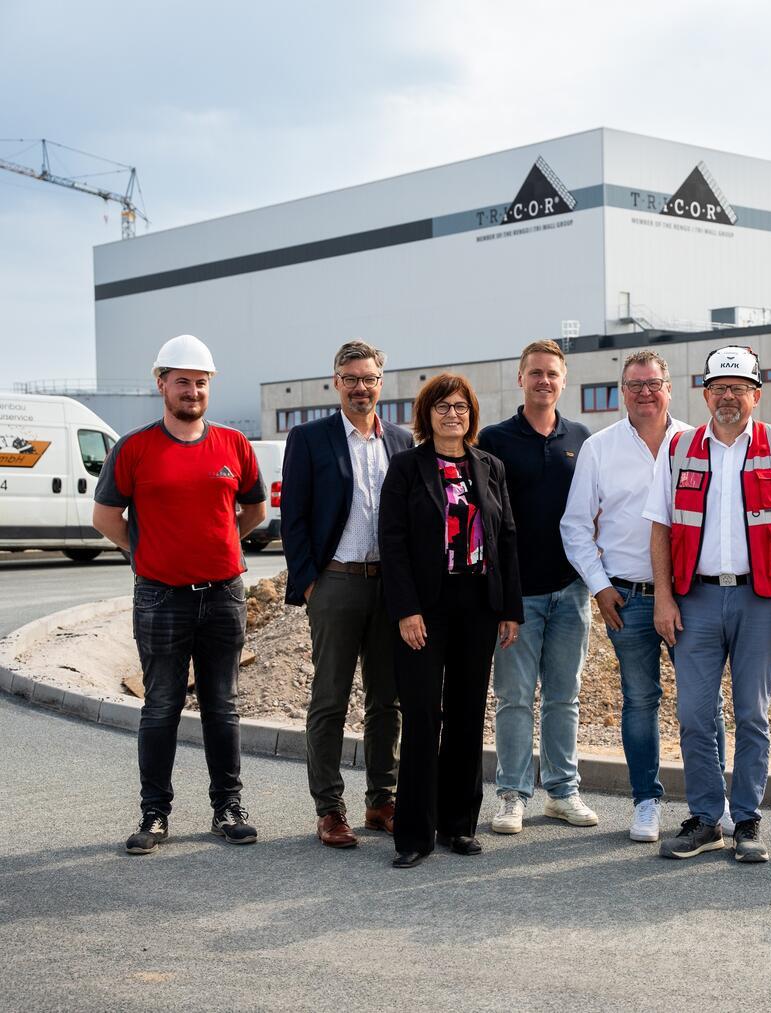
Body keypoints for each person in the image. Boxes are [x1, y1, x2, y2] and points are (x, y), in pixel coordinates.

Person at [645, 344, 771, 863]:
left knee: (753, 715)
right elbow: (659, 526)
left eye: (739, 389)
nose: (729, 398)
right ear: (705, 394)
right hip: (694, 598)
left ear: (756, 395)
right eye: (720, 388)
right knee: (696, 715)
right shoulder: (678, 448)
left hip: (760, 599)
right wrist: (663, 598)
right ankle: (705, 818)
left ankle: (746, 819)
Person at [93, 334, 266, 855]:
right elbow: (106, 518)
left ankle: (227, 808)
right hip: (160, 598)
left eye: (201, 383)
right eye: (183, 382)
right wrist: (143, 554)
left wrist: (223, 543)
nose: (192, 391)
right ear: (162, 384)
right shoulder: (135, 447)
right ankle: (155, 813)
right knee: (161, 706)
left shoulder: (234, 445)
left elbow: (255, 510)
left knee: (223, 705)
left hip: (223, 596)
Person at [561, 351, 732, 843]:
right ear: (622, 391)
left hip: (691, 596)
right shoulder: (600, 449)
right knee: (640, 700)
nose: (643, 393)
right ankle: (646, 802)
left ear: (669, 388)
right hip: (627, 599)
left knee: (704, 703)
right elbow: (574, 527)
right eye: (634, 385)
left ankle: (714, 804)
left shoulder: (698, 444)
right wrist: (600, 586)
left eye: (652, 384)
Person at [377, 373, 522, 868]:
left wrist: (509, 610)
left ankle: (458, 825)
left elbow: (506, 539)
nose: (452, 414)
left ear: (471, 414)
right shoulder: (406, 468)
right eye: (442, 406)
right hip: (425, 607)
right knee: (421, 716)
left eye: (460, 406)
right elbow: (392, 543)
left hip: (478, 604)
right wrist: (406, 610)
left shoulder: (491, 466)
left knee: (466, 716)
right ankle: (414, 834)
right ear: (427, 414)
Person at [280, 340, 411, 849]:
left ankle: (381, 800)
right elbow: (293, 517)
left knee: (386, 700)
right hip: (334, 583)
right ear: (335, 382)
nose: (362, 387)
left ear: (382, 382)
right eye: (351, 378)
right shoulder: (310, 438)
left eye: (370, 378)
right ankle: (329, 809)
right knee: (330, 699)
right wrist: (311, 580)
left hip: (389, 587)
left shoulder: (399, 441)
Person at [477, 340, 598, 834]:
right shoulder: (495, 438)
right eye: (535, 373)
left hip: (571, 590)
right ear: (520, 379)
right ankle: (511, 793)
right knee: (514, 697)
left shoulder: (583, 437)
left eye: (552, 373)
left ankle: (563, 792)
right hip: (517, 595)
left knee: (564, 696)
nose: (544, 381)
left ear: (563, 381)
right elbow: (484, 519)